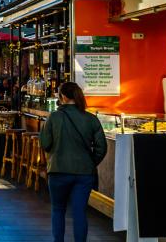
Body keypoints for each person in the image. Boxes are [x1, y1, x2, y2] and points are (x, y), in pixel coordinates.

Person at [40, 82, 108, 242]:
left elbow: (44, 143)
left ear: (63, 97)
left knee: (58, 210)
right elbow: (102, 147)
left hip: (58, 171)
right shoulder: (91, 119)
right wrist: (90, 162)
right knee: (79, 213)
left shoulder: (53, 117)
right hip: (84, 173)